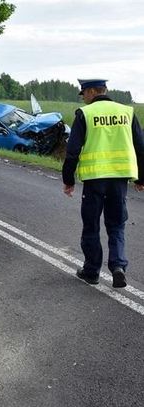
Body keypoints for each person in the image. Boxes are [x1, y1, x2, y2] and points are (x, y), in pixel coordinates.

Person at [62, 78, 144, 288]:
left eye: (84, 94)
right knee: (116, 225)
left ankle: (91, 272)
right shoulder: (127, 112)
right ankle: (118, 266)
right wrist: (142, 177)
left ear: (90, 92)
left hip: (94, 179)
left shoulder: (85, 114)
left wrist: (68, 179)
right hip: (119, 180)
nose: (84, 99)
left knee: (91, 225)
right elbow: (141, 146)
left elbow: (72, 151)